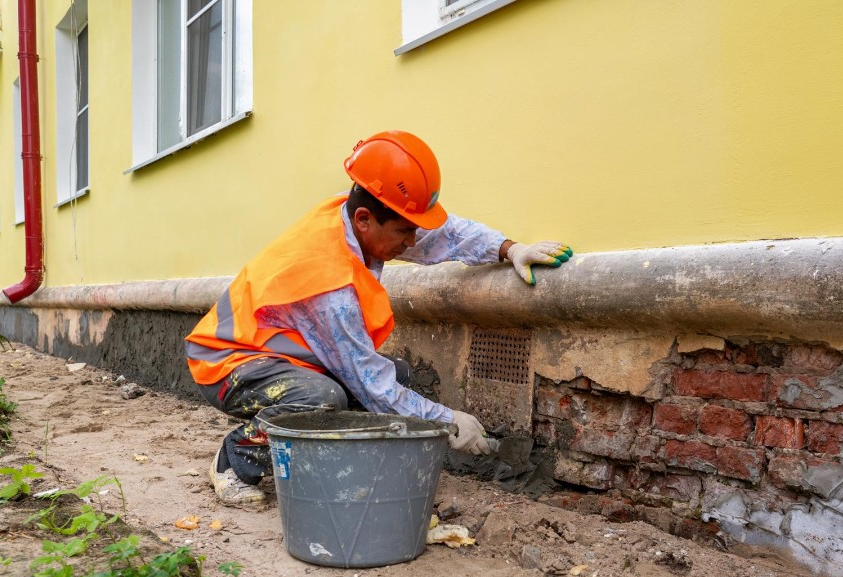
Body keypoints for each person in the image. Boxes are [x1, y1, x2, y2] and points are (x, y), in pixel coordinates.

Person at [185, 130, 573, 506]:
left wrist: (509, 249)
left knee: (395, 376)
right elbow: (369, 382)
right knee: (322, 399)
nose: (411, 242)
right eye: (404, 232)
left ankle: (327, 456)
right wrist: (448, 421)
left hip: (279, 354)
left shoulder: (351, 212)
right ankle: (235, 460)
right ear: (365, 220)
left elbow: (444, 234)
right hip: (229, 362)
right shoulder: (331, 286)